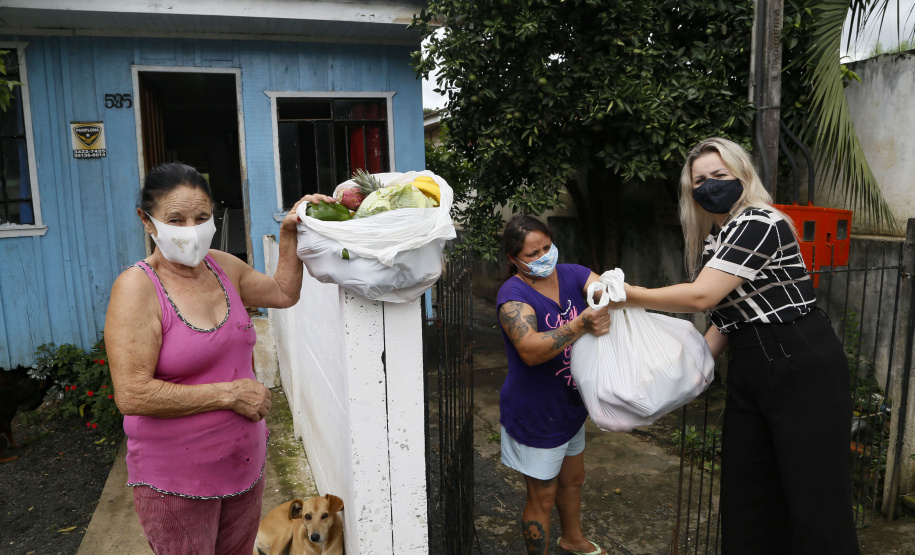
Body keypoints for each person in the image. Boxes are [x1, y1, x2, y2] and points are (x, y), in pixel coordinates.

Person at [613, 137, 860, 554]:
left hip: (799, 361)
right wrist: (661, 387)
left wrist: (627, 294)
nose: (710, 185)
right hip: (750, 368)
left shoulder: (761, 222)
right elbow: (723, 326)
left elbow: (700, 297)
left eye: (719, 176)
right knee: (748, 498)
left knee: (816, 503)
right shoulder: (718, 240)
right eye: (700, 180)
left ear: (743, 176)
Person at [104, 162, 334, 555]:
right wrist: (229, 395)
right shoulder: (137, 288)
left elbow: (283, 293)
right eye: (176, 219)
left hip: (244, 466)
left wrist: (289, 233)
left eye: (202, 217)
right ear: (147, 221)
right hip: (176, 481)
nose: (192, 230)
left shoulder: (223, 266)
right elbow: (132, 394)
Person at [496, 215, 610, 555]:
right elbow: (530, 349)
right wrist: (580, 324)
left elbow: (602, 290)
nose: (544, 256)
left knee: (573, 480)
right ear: (514, 259)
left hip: (570, 406)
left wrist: (610, 295)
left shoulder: (572, 273)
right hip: (535, 412)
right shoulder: (512, 294)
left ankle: (572, 539)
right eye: (532, 254)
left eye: (547, 247)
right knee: (541, 497)